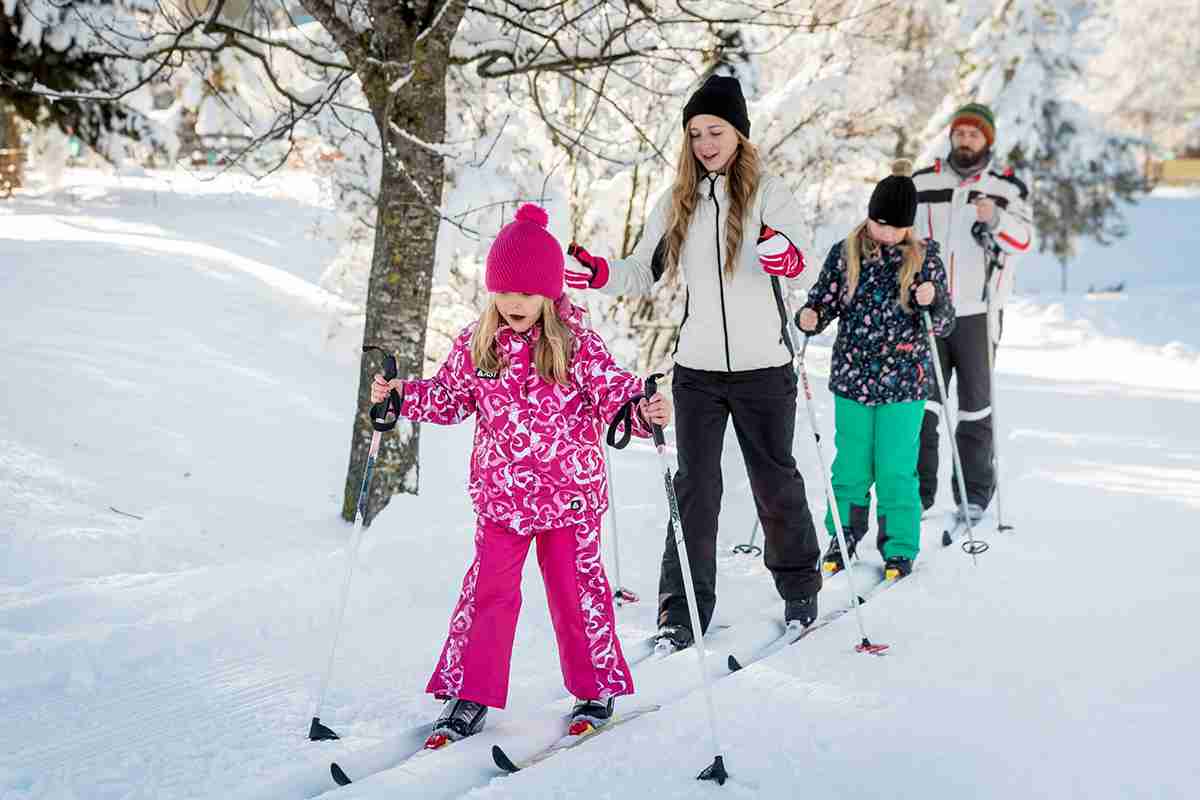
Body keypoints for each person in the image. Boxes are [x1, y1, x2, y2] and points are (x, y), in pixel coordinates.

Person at [371, 203, 671, 748]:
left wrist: (641, 411)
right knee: (489, 594)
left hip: (570, 498)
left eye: (527, 294)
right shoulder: (476, 343)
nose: (514, 303)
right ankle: (469, 693)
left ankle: (595, 686)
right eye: (505, 292)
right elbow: (447, 397)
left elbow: (613, 392)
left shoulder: (576, 343)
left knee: (577, 592)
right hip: (502, 500)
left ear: (550, 294)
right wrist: (400, 399)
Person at [564, 74, 821, 652]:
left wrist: (782, 254)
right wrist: (600, 273)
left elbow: (802, 263)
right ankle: (680, 615)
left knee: (774, 480)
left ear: (739, 134)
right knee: (695, 490)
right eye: (696, 133)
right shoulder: (676, 200)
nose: (705, 143)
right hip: (698, 370)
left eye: (716, 131)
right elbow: (642, 271)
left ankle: (800, 591)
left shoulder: (768, 193)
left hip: (764, 366)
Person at [796, 163, 955, 578]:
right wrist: (811, 314)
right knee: (850, 464)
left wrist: (932, 299)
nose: (884, 233)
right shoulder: (846, 252)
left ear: (908, 227)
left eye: (894, 227)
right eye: (878, 223)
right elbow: (824, 300)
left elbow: (945, 323)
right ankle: (843, 534)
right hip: (853, 378)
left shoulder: (925, 258)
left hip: (905, 383)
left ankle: (899, 544)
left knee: (896, 467)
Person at [912, 103, 1035, 520]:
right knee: (921, 405)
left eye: (974, 135)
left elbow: (1023, 241)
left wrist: (996, 218)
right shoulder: (923, 180)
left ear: (988, 141)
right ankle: (917, 492)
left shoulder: (1007, 187)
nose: (965, 140)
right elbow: (902, 236)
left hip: (979, 311)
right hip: (929, 310)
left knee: (975, 406)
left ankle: (975, 492)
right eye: (960, 133)